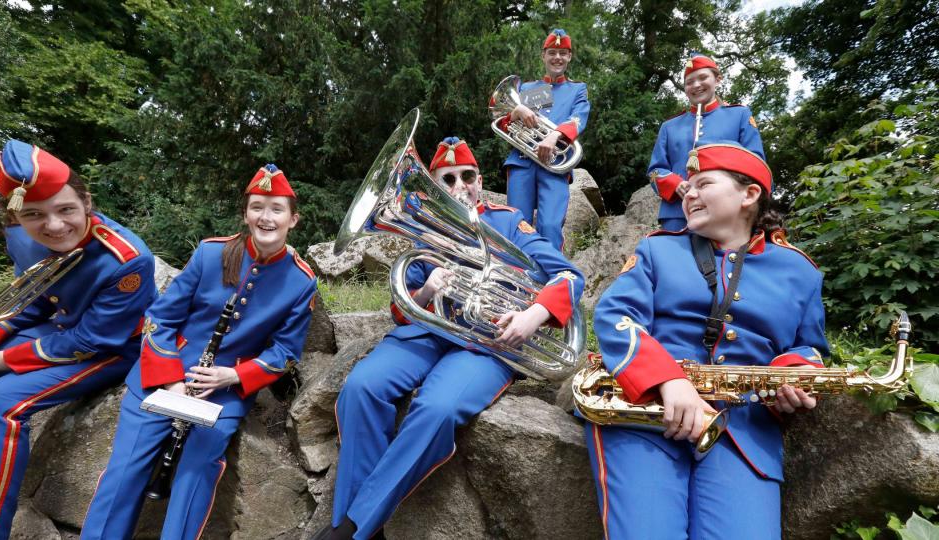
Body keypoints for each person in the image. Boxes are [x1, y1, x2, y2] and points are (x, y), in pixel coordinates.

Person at [313, 138, 585, 540]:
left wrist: (533, 315)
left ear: (480, 181)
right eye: (449, 178)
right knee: (360, 388)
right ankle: (362, 525)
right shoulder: (426, 229)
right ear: (436, 186)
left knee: (437, 409)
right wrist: (426, 291)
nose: (461, 185)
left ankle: (351, 529)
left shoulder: (509, 221)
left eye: (468, 176)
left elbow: (568, 276)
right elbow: (402, 308)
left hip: (485, 345)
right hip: (429, 334)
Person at [586, 142, 828, 539]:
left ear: (749, 195)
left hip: (745, 432)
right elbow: (616, 316)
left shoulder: (801, 272)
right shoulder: (656, 248)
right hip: (645, 414)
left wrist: (795, 374)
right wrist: (668, 378)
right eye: (688, 185)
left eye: (703, 184)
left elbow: (810, 346)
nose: (688, 193)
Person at [80, 165, 318, 539]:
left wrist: (235, 376)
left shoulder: (301, 281)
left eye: (276, 209)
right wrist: (171, 381)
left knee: (198, 470)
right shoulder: (211, 254)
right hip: (164, 378)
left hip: (223, 391)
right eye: (257, 207)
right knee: (124, 472)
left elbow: (286, 351)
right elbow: (159, 319)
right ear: (245, 213)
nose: (266, 217)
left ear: (293, 219)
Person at [0, 140, 156, 540]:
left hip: (110, 347)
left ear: (87, 202)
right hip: (59, 326)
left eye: (66, 210)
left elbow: (89, 340)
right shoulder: (19, 234)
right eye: (35, 214)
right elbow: (32, 298)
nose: (54, 226)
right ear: (16, 214)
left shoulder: (127, 260)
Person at [648, 52, 765, 231]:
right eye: (689, 82)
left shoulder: (739, 115)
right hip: (678, 214)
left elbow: (756, 163)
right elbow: (655, 170)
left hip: (729, 212)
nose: (696, 85)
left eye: (703, 77)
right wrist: (675, 184)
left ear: (717, 79)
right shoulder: (669, 126)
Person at [498, 28, 590, 251]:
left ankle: (551, 280)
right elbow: (503, 123)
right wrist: (516, 111)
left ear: (569, 57)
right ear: (543, 56)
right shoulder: (529, 88)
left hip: (554, 164)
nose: (557, 57)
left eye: (562, 53)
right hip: (522, 161)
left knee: (550, 226)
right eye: (552, 52)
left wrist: (554, 136)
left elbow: (579, 118)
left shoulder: (577, 89)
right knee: (517, 225)